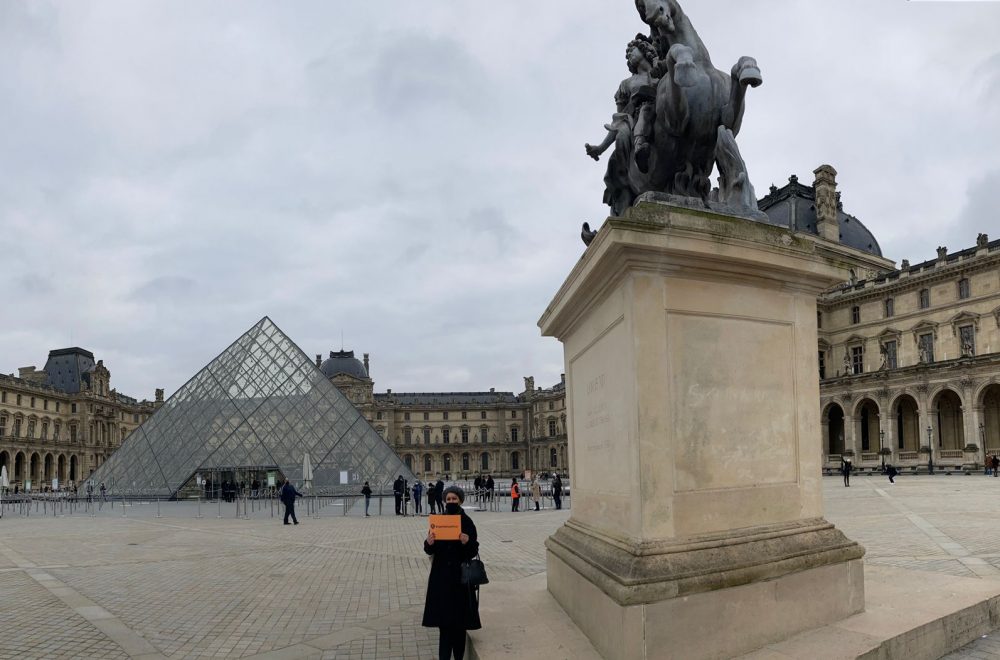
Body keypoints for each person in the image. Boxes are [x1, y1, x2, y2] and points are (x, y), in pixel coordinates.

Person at [422, 485, 481, 660]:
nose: (451, 502)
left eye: (454, 499)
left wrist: (466, 541)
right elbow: (428, 550)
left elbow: (473, 551)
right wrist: (429, 542)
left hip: (460, 580)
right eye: (448, 499)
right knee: (444, 626)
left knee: (459, 627)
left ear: (460, 500)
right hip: (442, 580)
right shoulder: (438, 521)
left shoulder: (467, 521)